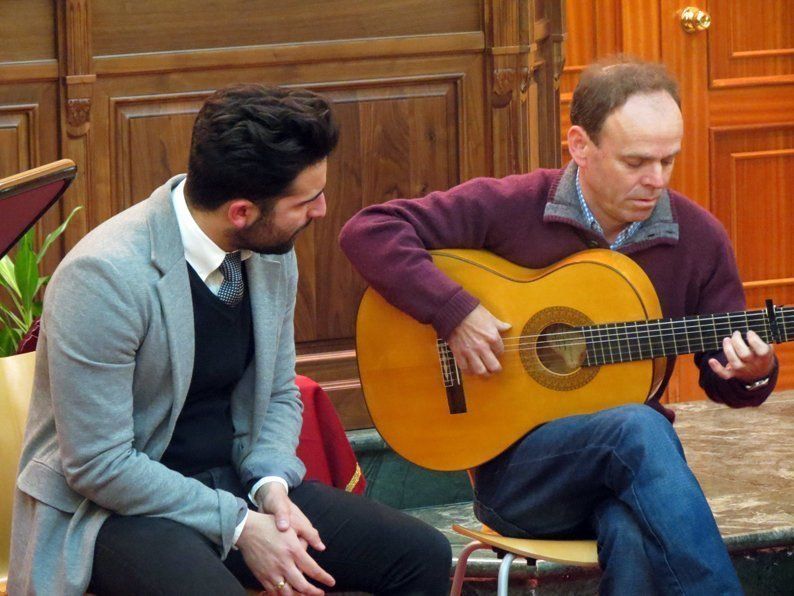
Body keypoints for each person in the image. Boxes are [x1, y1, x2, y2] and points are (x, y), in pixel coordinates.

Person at [339, 56, 778, 595]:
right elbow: (369, 230)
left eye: (669, 160)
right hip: (522, 480)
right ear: (579, 146)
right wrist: (454, 312)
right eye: (637, 161)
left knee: (632, 529)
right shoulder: (511, 206)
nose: (656, 180)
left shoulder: (698, 238)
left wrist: (753, 371)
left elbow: (724, 378)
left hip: (633, 474)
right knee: (640, 427)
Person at [8, 83, 451, 596]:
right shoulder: (104, 276)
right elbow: (98, 466)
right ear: (241, 211)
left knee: (420, 555)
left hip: (235, 482)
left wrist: (272, 485)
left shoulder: (270, 248)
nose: (323, 211)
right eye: (307, 200)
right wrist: (240, 526)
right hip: (113, 510)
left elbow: (279, 391)